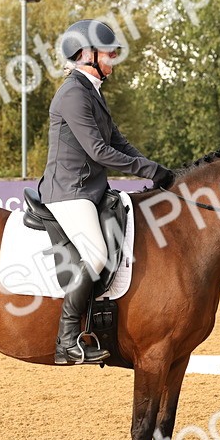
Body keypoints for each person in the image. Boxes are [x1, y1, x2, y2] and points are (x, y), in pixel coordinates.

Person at [38, 19, 176, 364]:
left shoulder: (91, 93)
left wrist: (157, 169)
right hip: (69, 191)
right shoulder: (72, 93)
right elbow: (99, 151)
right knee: (97, 254)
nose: (113, 57)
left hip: (91, 189)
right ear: (86, 54)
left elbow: (119, 142)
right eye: (108, 52)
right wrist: (148, 170)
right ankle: (67, 339)